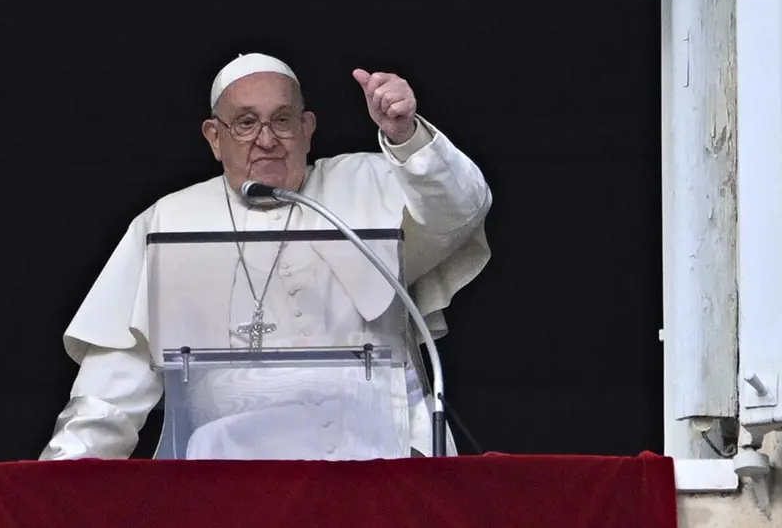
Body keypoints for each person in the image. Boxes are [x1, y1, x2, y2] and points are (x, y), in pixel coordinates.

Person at [39, 52, 492, 461]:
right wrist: (64, 480)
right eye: (245, 122)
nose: (266, 139)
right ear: (214, 137)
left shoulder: (366, 182)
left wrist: (406, 135)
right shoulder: (169, 221)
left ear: (307, 129)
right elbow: (115, 380)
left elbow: (460, 209)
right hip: (232, 474)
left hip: (380, 457)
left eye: (282, 120)